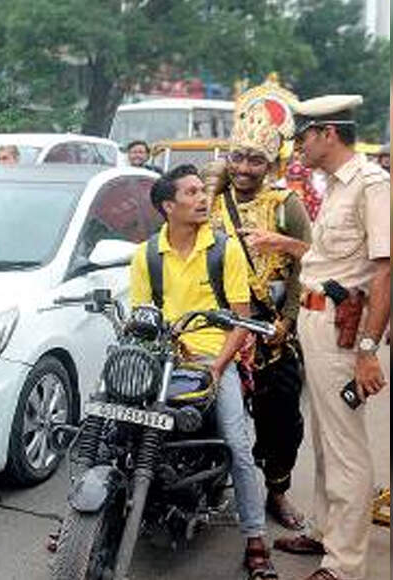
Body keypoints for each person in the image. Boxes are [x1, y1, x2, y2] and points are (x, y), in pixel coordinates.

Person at [244, 95, 390, 580]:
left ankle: (345, 565)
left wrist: (369, 350)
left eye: (303, 137)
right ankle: (327, 532)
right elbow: (332, 258)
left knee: (346, 445)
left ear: (328, 134)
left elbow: (386, 273)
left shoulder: (372, 185)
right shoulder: (337, 186)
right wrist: (285, 244)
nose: (298, 148)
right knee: (327, 439)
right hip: (313, 318)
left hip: (342, 328)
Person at [130, 164, 277, 579]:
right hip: (163, 360)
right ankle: (84, 512)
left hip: (214, 359)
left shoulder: (224, 249)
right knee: (108, 421)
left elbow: (241, 321)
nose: (202, 199)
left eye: (202, 191)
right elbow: (143, 318)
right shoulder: (145, 255)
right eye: (192, 193)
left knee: (236, 444)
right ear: (167, 206)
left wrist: (216, 367)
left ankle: (254, 536)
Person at [206, 78, 312, 532]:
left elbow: (307, 264)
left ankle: (277, 492)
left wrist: (288, 320)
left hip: (272, 333)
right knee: (206, 409)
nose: (245, 168)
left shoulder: (286, 204)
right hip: (218, 327)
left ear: (271, 163)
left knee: (281, 421)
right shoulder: (207, 198)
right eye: (238, 157)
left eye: (255, 159)